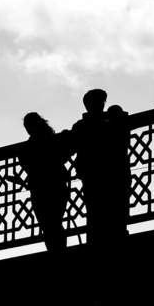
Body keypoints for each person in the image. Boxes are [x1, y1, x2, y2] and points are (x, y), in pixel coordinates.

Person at [71, 89, 131, 249]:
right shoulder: (87, 125)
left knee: (105, 210)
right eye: (99, 101)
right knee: (101, 210)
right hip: (104, 174)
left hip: (105, 174)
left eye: (102, 101)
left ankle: (105, 237)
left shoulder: (87, 125)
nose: (102, 105)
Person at [17, 112, 74, 254]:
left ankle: (55, 252)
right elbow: (66, 152)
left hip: (41, 188)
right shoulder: (53, 140)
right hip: (56, 185)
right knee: (53, 223)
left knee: (49, 224)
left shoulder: (28, 147)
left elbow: (26, 164)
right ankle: (59, 251)